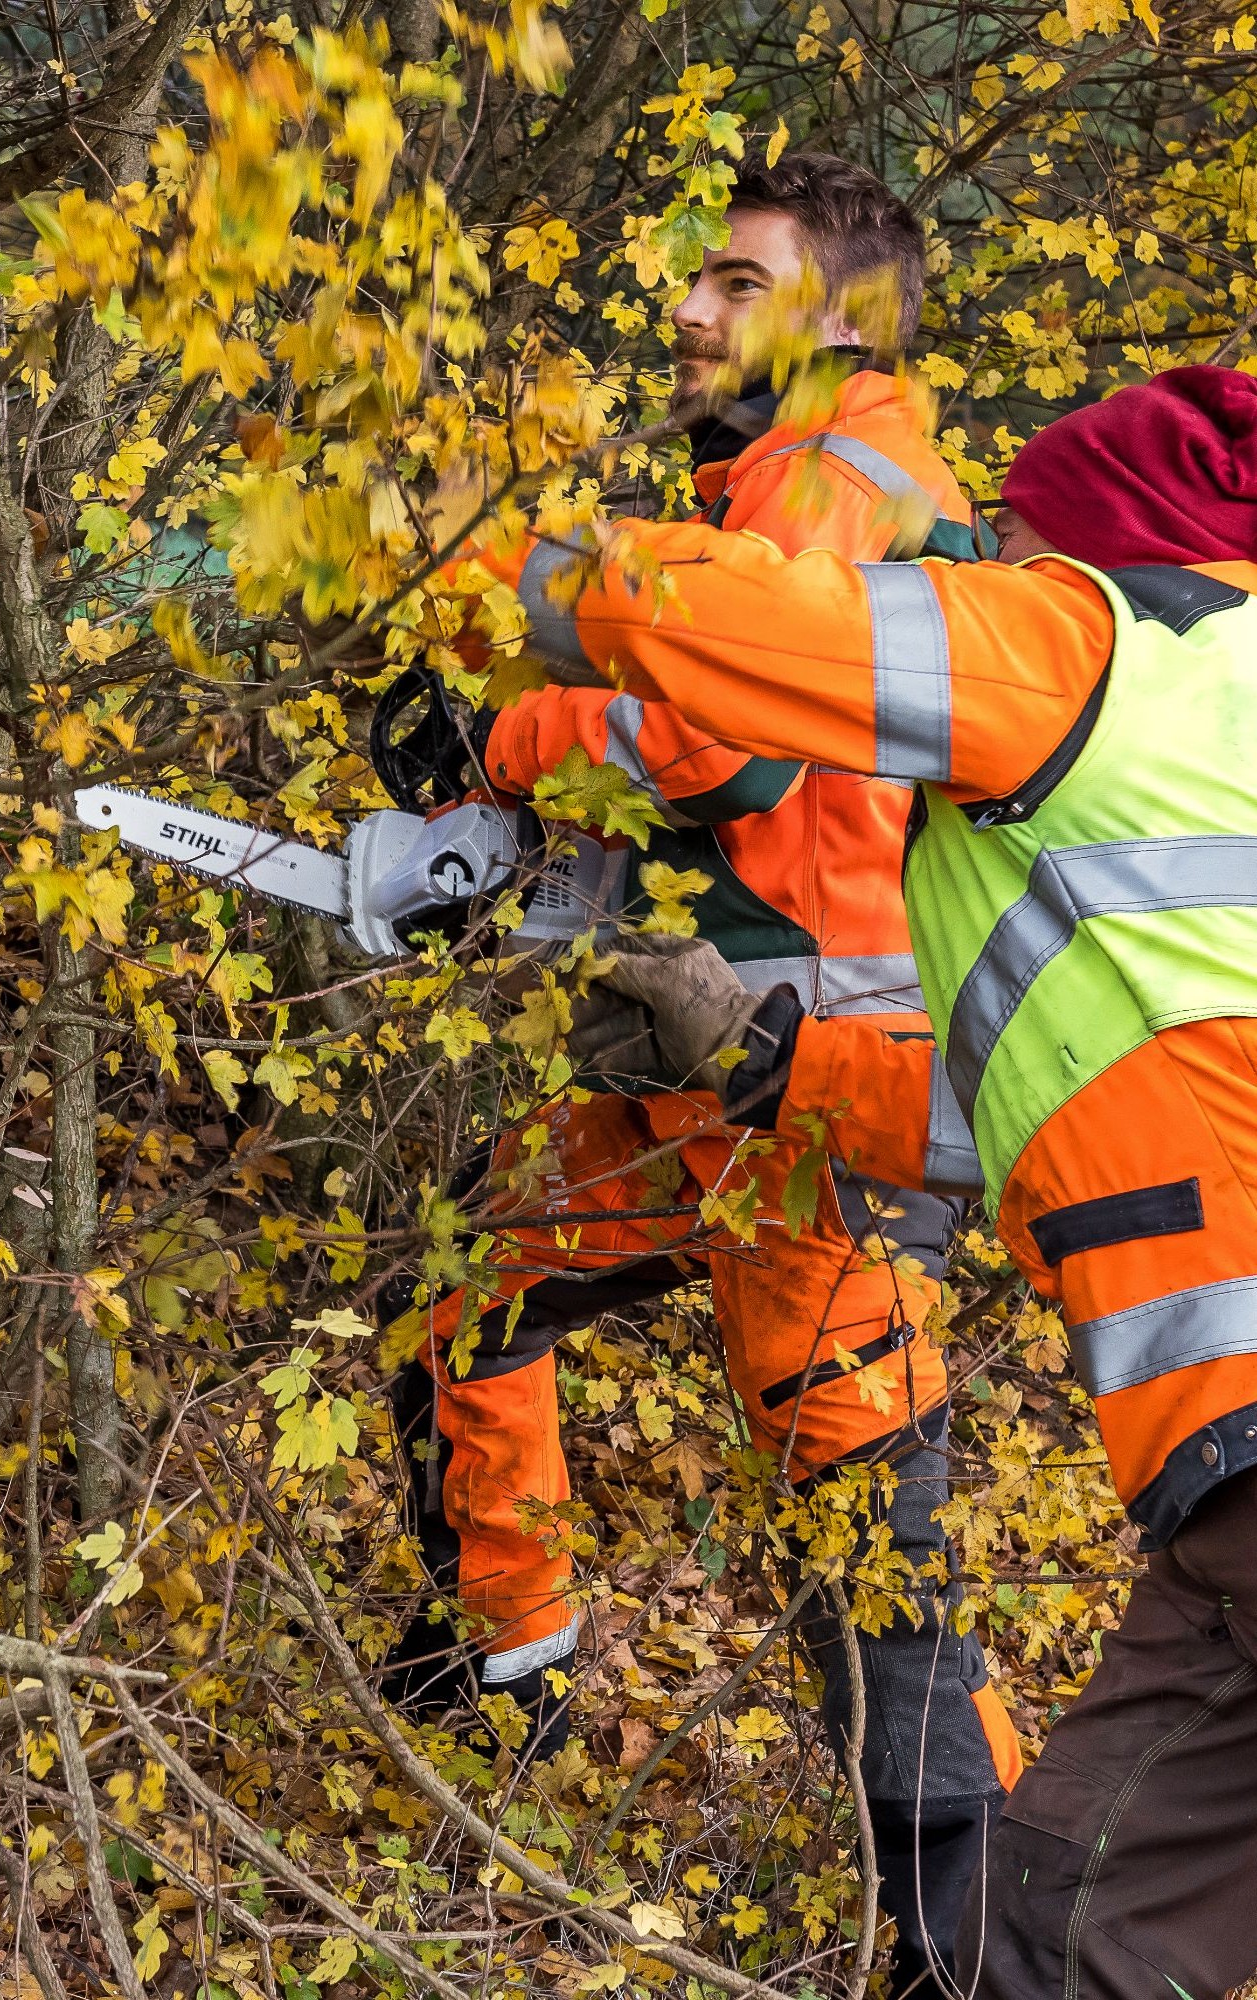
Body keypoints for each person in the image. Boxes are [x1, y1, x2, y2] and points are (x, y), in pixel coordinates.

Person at [505, 363, 1257, 2000]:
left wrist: (508, 570)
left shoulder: (1106, 649)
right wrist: (763, 1059)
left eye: (1026, 545)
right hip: (1231, 1515)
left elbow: (788, 636)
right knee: (1047, 1945)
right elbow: (1058, 1119)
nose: (997, 574)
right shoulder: (1204, 769)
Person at [382, 154, 1018, 1995]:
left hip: (825, 1102)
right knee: (476, 1284)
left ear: (841, 323)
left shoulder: (843, 483)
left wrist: (497, 747)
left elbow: (720, 749)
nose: (688, 308)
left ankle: (974, 1947)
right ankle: (502, 1665)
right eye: (698, 277)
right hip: (698, 1069)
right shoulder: (773, 478)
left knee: (864, 1551)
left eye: (737, 283)